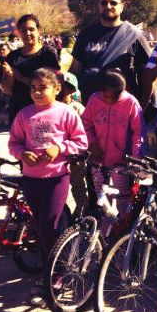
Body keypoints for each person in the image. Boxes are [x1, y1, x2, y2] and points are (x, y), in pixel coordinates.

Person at [8, 68, 87, 304]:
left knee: (49, 226)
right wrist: (22, 154)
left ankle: (55, 277)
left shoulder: (66, 113)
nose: (37, 92)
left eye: (43, 88)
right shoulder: (24, 114)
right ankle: (54, 268)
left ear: (57, 89)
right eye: (33, 88)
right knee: (41, 227)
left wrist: (60, 148)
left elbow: (81, 142)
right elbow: (14, 143)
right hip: (31, 179)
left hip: (57, 179)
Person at [69, 0, 152, 104]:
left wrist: (143, 106)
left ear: (122, 7)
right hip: (90, 107)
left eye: (113, 3)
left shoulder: (134, 35)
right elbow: (75, 71)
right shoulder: (85, 34)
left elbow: (147, 75)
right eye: (104, 2)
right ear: (99, 6)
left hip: (122, 108)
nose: (108, 6)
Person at [82, 69, 144, 216]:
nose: (110, 100)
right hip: (97, 161)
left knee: (120, 201)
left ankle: (118, 235)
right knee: (102, 201)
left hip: (121, 164)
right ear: (100, 90)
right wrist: (92, 144)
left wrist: (136, 160)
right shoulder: (94, 100)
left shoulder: (131, 103)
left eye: (115, 96)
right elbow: (85, 124)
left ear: (124, 90)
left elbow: (139, 132)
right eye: (106, 96)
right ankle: (103, 234)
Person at [2, 14, 61, 124]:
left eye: (31, 29)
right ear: (18, 32)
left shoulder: (48, 54)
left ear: (39, 30)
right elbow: (6, 89)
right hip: (18, 111)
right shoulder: (12, 56)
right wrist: (10, 76)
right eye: (23, 30)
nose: (27, 33)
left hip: (43, 112)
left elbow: (52, 84)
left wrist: (19, 76)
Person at [60, 72, 87, 216]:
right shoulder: (52, 107)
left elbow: (86, 130)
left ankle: (81, 208)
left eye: (66, 87)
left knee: (77, 183)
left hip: (76, 154)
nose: (62, 90)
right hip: (59, 154)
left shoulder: (78, 108)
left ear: (72, 90)